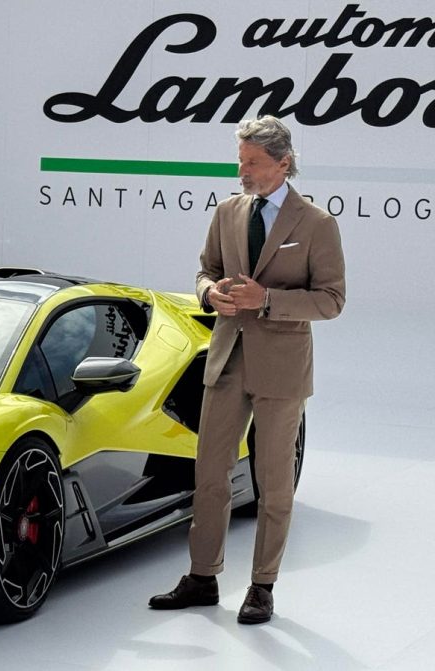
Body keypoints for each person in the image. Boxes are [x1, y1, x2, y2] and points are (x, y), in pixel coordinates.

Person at [149, 115, 346, 624]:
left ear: (284, 163)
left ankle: (262, 585)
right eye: (240, 160)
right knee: (209, 474)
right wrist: (208, 294)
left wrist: (268, 300)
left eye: (253, 162)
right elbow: (205, 271)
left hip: (282, 368)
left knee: (273, 482)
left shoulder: (316, 224)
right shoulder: (227, 211)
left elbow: (331, 300)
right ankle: (202, 577)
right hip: (227, 359)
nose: (243, 171)